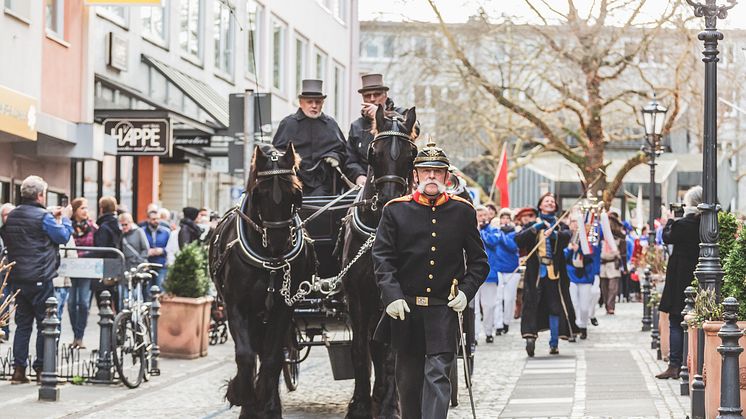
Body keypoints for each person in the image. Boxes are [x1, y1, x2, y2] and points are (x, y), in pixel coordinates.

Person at [372, 139, 489, 419]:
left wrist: (465, 291)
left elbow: (479, 262)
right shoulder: (395, 210)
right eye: (426, 171)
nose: (432, 176)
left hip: (442, 309)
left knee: (438, 378)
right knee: (408, 383)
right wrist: (392, 295)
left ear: (447, 177)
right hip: (407, 311)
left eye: (438, 171)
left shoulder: (462, 211)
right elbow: (382, 258)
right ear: (415, 176)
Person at [0, 176, 73, 383]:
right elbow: (62, 237)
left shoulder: (12, 216)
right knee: (46, 324)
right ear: (41, 195)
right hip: (40, 277)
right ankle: (43, 370)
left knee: (22, 325)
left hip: (17, 278)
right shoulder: (43, 218)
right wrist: (65, 218)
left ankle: (18, 370)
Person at [516, 192, 578, 356]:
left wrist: (555, 235)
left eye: (552, 201)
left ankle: (554, 342)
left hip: (554, 274)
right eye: (547, 201)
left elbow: (567, 236)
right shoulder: (532, 224)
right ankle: (530, 339)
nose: (550, 203)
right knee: (532, 305)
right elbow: (519, 240)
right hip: (535, 274)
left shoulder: (559, 225)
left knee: (555, 307)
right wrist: (536, 228)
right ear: (540, 205)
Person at [656, 186, 702, 380]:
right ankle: (692, 364)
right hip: (699, 275)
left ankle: (676, 364)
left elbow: (666, 237)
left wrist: (670, 220)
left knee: (676, 319)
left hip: (679, 277)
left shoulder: (683, 224)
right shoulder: (707, 223)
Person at [273, 79, 347, 196]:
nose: (314, 106)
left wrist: (335, 156)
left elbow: (344, 152)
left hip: (324, 185)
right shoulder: (288, 124)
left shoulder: (331, 124)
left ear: (322, 103)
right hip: (293, 182)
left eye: (318, 102)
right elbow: (277, 153)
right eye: (310, 102)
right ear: (301, 102)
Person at [345, 73, 407, 186]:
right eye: (368, 96)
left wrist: (382, 115)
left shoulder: (401, 114)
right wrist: (358, 176)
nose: (372, 99)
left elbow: (414, 127)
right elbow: (350, 161)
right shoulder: (356, 126)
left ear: (385, 96)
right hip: (367, 185)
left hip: (397, 183)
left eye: (377, 94)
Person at [67, 197, 96, 348]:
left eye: (86, 208)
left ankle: (80, 336)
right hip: (71, 269)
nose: (85, 211)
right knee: (71, 303)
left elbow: (96, 247)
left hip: (86, 269)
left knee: (83, 303)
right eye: (82, 208)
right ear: (75, 211)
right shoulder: (68, 227)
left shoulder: (92, 227)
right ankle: (75, 334)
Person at [565, 217, 599, 340]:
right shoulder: (566, 237)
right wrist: (569, 249)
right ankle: (573, 329)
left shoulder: (590, 238)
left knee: (584, 306)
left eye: (577, 222)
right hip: (571, 275)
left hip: (585, 275)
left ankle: (583, 325)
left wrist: (579, 248)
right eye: (573, 222)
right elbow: (562, 255)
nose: (575, 225)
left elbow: (592, 253)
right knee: (573, 304)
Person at [494, 208, 520, 335]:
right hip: (498, 268)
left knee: (509, 298)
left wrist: (501, 234)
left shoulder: (514, 233)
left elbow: (512, 246)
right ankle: (498, 324)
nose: (504, 220)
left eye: (507, 218)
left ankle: (506, 321)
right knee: (498, 298)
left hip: (512, 269)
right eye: (502, 218)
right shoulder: (496, 232)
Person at [93, 196, 122, 310]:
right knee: (116, 299)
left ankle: (108, 326)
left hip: (106, 268)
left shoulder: (104, 227)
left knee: (105, 300)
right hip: (119, 265)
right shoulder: (120, 224)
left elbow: (100, 249)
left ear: (101, 209)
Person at [476, 205, 500, 342]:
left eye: (484, 215)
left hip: (490, 273)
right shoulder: (469, 230)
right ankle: (474, 335)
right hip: (473, 274)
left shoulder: (493, 230)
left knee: (489, 305)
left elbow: (493, 242)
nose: (483, 218)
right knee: (474, 309)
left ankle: (488, 331)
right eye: (479, 216)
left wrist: (480, 232)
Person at [513, 207, 539, 320]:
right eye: (525, 217)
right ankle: (519, 311)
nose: (528, 219)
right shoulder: (520, 230)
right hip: (522, 263)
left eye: (531, 216)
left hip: (535, 264)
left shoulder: (539, 227)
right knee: (521, 292)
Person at [599, 212, 627, 315]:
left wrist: (624, 267)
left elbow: (623, 253)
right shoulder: (600, 235)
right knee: (604, 287)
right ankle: (607, 305)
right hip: (602, 264)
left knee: (613, 288)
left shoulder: (620, 236)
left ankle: (611, 306)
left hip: (613, 263)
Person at [144, 210, 170, 291]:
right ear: (148, 219)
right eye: (153, 219)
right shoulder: (142, 231)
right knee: (147, 291)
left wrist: (162, 250)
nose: (156, 221)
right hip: (147, 264)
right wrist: (147, 252)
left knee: (160, 290)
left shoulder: (166, 232)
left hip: (161, 264)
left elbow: (171, 248)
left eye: (158, 219)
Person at [0, 203, 15, 341]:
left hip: (18, 271)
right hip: (4, 271)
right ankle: (3, 331)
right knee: (2, 300)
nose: (8, 218)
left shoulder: (19, 231)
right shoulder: (1, 232)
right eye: (5, 215)